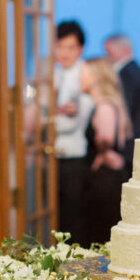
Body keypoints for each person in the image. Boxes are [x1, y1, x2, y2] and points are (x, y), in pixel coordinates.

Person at [80, 57, 132, 246]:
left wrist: (103, 152)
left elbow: (106, 137)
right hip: (107, 180)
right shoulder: (111, 103)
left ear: (95, 77)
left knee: (100, 234)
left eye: (83, 74)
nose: (80, 78)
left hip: (105, 181)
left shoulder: (104, 105)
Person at [53, 20, 93, 244]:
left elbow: (71, 122)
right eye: (60, 46)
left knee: (74, 219)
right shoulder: (52, 74)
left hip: (76, 157)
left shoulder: (86, 75)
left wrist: (54, 112)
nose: (64, 53)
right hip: (50, 155)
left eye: (70, 47)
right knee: (54, 220)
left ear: (80, 49)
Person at [104, 33, 140, 175]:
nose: (106, 56)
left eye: (109, 51)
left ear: (124, 49)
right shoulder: (134, 70)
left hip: (130, 146)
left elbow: (125, 109)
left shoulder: (127, 74)